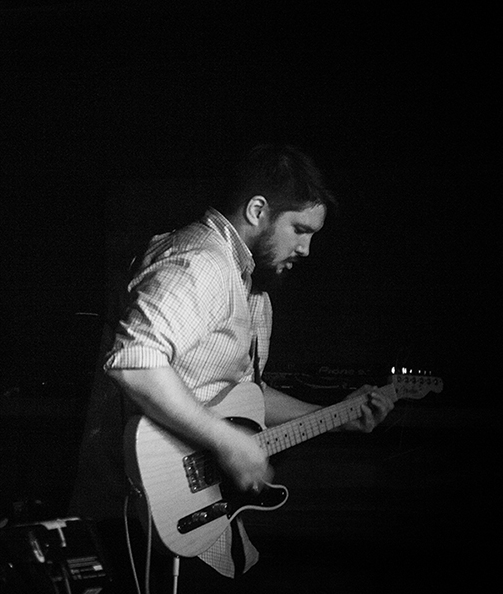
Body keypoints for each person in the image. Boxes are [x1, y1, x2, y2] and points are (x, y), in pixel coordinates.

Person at [69, 145, 395, 591]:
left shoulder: (253, 288)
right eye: (300, 229)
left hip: (203, 517)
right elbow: (134, 363)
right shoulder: (201, 262)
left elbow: (245, 399)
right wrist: (227, 443)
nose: (306, 248)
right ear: (258, 210)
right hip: (139, 522)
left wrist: (336, 415)